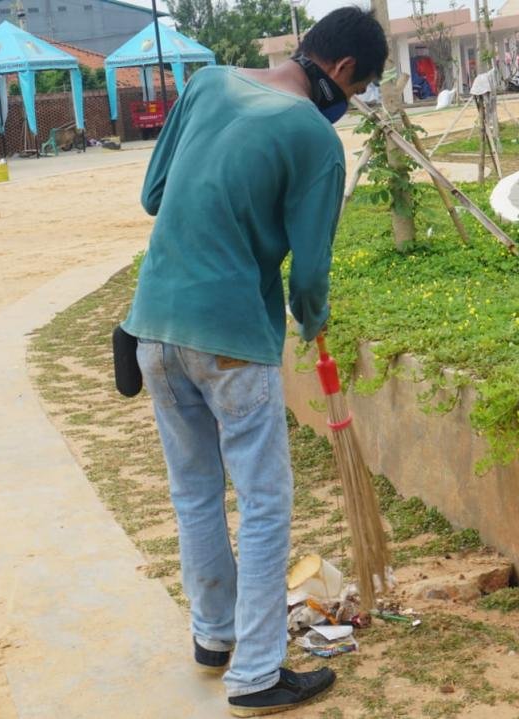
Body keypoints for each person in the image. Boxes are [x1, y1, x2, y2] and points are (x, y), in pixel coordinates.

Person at [120, 8, 388, 717]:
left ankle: (216, 637)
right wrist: (312, 321)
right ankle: (258, 675)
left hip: (153, 326)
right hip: (231, 338)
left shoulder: (206, 85)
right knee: (265, 502)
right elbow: (309, 278)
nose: (348, 105)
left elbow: (154, 196)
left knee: (195, 492)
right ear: (343, 74)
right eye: (356, 94)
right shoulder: (315, 139)